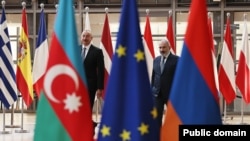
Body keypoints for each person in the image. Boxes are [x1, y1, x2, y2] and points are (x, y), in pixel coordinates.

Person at [151, 39, 179, 128]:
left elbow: (179, 77)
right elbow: (154, 76)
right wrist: (153, 89)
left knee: (173, 117)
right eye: (160, 47)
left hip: (171, 94)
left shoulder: (177, 60)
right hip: (157, 94)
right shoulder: (156, 60)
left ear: (169, 48)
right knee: (156, 117)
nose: (162, 49)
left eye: (164, 47)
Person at [80, 30, 104, 131]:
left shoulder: (97, 52)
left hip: (90, 85)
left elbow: (101, 71)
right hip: (77, 85)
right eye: (83, 36)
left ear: (91, 38)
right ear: (81, 37)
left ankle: (87, 126)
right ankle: (81, 124)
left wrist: (100, 87)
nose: (85, 38)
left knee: (87, 107)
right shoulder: (75, 49)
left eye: (87, 36)